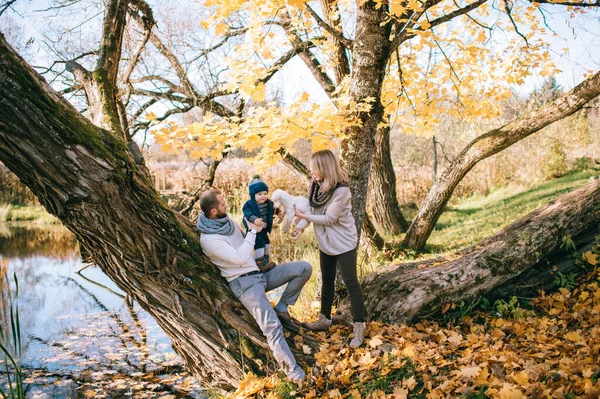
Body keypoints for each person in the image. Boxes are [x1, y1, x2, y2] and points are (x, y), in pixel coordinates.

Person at [197, 188, 311, 382]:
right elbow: (240, 257)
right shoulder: (209, 239)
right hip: (244, 283)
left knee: (304, 268)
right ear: (213, 211)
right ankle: (294, 374)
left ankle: (282, 308)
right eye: (223, 204)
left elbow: (250, 239)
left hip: (259, 273)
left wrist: (263, 222)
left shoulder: (226, 222)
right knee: (272, 327)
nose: (227, 205)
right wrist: (251, 232)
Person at [293, 149, 366, 348]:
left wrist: (305, 217)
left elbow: (329, 218)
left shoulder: (341, 190)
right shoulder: (315, 187)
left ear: (325, 168)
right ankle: (324, 319)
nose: (311, 173)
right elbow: (311, 210)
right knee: (327, 280)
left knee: (351, 282)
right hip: (326, 242)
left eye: (314, 169)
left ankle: (360, 325)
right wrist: (301, 227)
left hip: (343, 242)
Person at [242, 175, 278, 272]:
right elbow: (247, 213)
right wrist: (254, 219)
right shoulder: (249, 204)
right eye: (260, 194)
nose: (263, 196)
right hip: (255, 229)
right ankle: (259, 263)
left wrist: (278, 212)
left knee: (267, 243)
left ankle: (265, 260)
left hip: (264, 229)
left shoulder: (268, 203)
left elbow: (273, 208)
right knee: (259, 245)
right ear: (253, 195)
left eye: (265, 193)